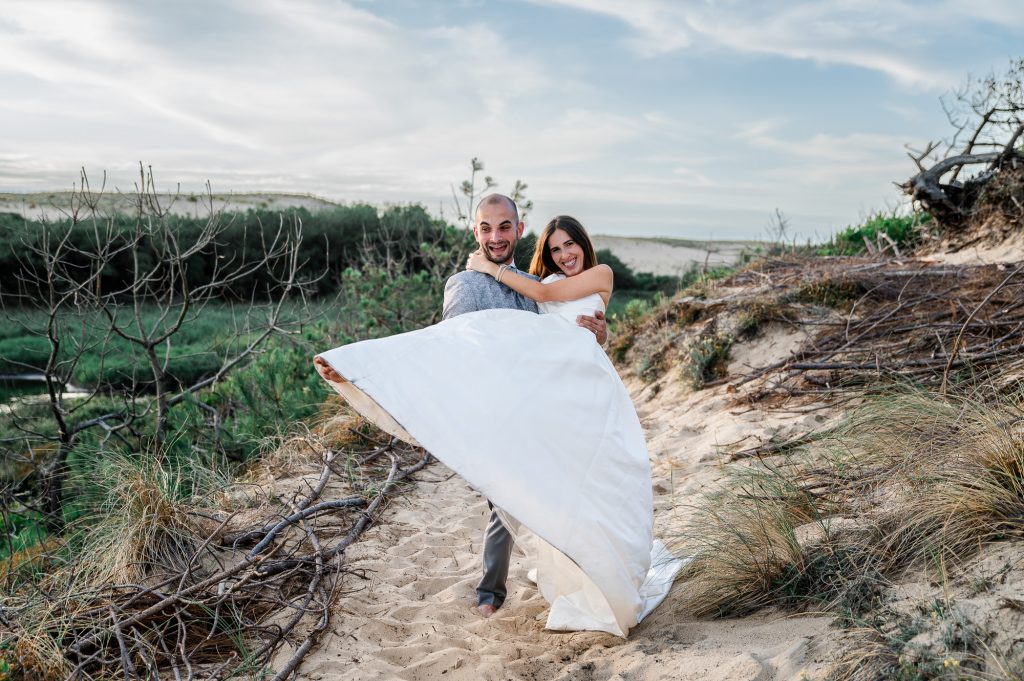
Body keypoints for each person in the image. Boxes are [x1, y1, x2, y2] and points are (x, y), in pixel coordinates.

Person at [314, 202, 681, 637]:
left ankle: (603, 567)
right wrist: (368, 373)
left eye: (504, 227)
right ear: (476, 233)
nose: (496, 236)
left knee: (591, 486)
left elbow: (565, 319)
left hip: (577, 397)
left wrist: (603, 333)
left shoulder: (545, 284)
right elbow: (449, 341)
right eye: (487, 229)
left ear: (519, 230)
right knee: (506, 496)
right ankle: (491, 593)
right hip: (512, 403)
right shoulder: (468, 283)